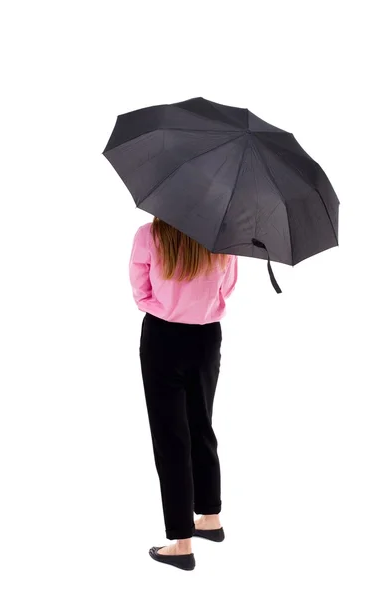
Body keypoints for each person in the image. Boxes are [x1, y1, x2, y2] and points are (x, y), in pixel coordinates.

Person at [129, 217, 238, 571]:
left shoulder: (149, 235)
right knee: (200, 425)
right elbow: (228, 288)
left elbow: (140, 291)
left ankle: (182, 542)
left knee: (171, 438)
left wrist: (168, 305)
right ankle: (210, 517)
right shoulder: (223, 237)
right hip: (206, 338)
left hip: (163, 338)